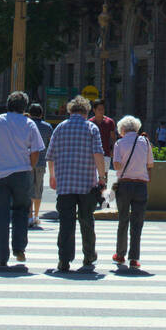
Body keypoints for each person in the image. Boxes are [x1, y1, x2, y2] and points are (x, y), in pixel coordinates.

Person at [0, 91, 45, 269]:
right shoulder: (29, 124)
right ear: (24, 106)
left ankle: (2, 256)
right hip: (22, 173)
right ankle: (19, 248)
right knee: (22, 211)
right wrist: (29, 168)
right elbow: (36, 151)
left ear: (8, 104)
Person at [46, 94, 106, 272]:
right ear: (87, 112)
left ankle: (64, 259)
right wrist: (102, 177)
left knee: (66, 223)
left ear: (70, 111)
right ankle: (88, 256)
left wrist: (52, 176)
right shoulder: (91, 128)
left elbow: (51, 155)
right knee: (87, 220)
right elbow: (98, 154)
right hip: (87, 184)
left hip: (65, 184)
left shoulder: (60, 128)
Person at [112, 115, 153, 268]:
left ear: (122, 130)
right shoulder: (146, 142)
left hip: (124, 185)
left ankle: (120, 254)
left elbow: (116, 165)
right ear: (136, 128)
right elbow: (150, 164)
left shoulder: (119, 143)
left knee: (123, 220)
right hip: (141, 185)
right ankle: (134, 258)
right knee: (137, 223)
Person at [27, 101, 54, 229]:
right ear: (41, 114)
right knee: (38, 190)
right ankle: (37, 216)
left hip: (27, 162)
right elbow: (51, 144)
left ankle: (29, 216)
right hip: (42, 162)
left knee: (28, 189)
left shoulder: (26, 125)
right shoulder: (47, 127)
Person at [89, 100, 117, 165]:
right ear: (94, 110)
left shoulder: (110, 122)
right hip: (92, 154)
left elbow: (113, 138)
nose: (101, 111)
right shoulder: (90, 123)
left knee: (104, 173)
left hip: (106, 153)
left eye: (103, 109)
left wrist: (113, 150)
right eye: (99, 109)